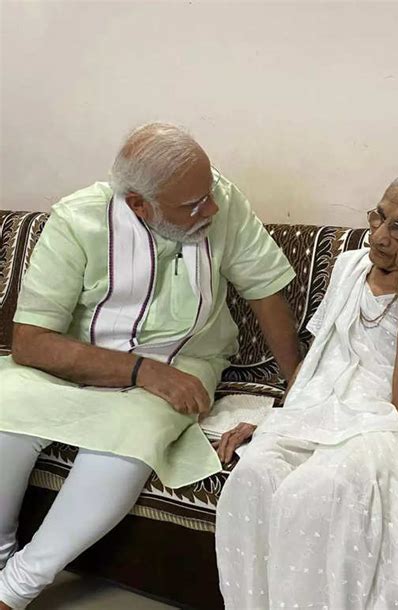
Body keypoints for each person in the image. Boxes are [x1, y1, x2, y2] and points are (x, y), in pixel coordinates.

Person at [0, 122, 302, 609]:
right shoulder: (78, 220)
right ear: (140, 203)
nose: (213, 208)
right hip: (81, 363)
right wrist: (141, 371)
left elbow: (265, 292)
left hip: (185, 363)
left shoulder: (221, 201)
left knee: (135, 436)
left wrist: (300, 390)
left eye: (209, 193)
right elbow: (30, 343)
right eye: (192, 205)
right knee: (4, 408)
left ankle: (15, 588)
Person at [215, 169, 398, 610]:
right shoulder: (349, 265)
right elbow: (320, 358)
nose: (378, 236)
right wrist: (276, 416)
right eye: (379, 216)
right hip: (325, 407)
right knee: (254, 474)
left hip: (394, 423)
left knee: (318, 489)